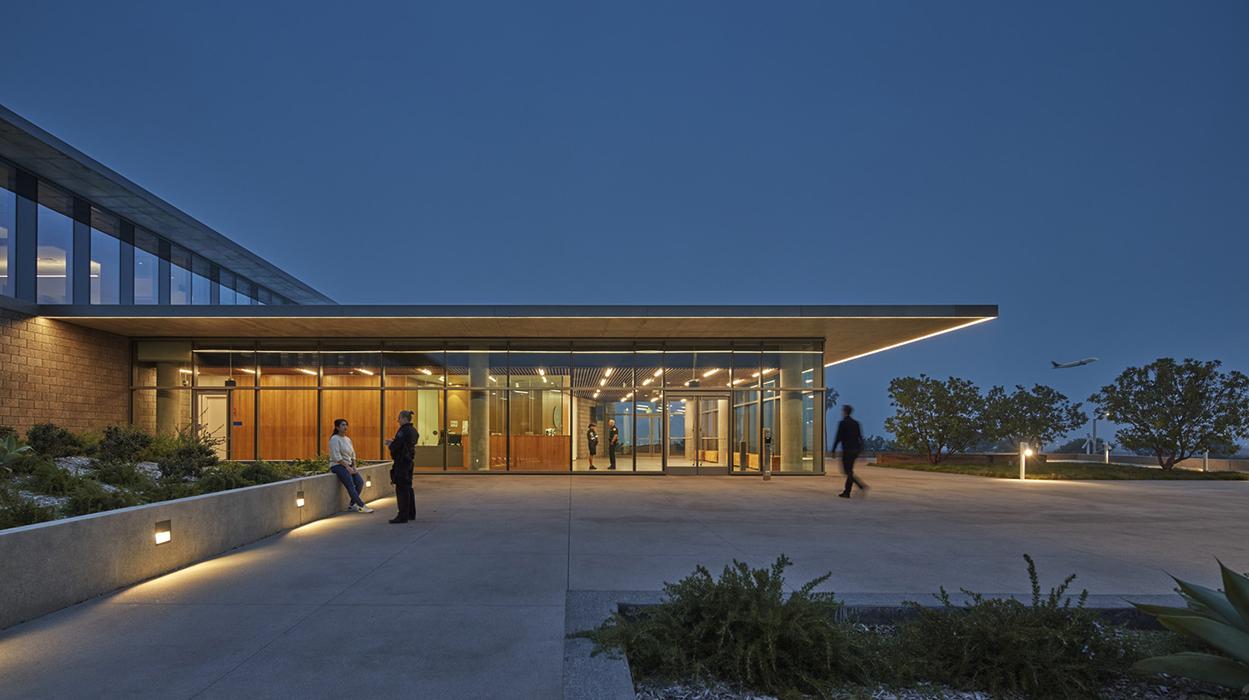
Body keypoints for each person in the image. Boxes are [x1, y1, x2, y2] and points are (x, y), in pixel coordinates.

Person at [329, 419, 373, 513]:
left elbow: (353, 454)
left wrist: (354, 466)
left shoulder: (348, 439)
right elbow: (336, 456)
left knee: (360, 482)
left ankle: (352, 505)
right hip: (338, 465)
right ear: (337, 427)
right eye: (343, 425)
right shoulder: (334, 439)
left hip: (348, 465)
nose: (345, 427)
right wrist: (347, 467)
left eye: (346, 425)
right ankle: (361, 505)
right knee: (350, 484)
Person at [384, 410, 418, 523]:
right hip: (409, 461)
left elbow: (398, 446)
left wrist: (391, 444)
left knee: (401, 488)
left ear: (404, 418)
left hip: (402, 462)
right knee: (408, 487)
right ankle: (410, 513)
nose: (397, 420)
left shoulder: (403, 431)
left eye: (399, 418)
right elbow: (407, 443)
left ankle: (402, 515)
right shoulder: (413, 430)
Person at [833, 404, 868, 498]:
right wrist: (862, 450)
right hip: (855, 450)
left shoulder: (843, 423)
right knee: (849, 471)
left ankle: (858, 487)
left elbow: (838, 437)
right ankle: (848, 491)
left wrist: (833, 449)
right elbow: (860, 437)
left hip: (847, 450)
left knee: (847, 471)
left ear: (844, 412)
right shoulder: (856, 423)